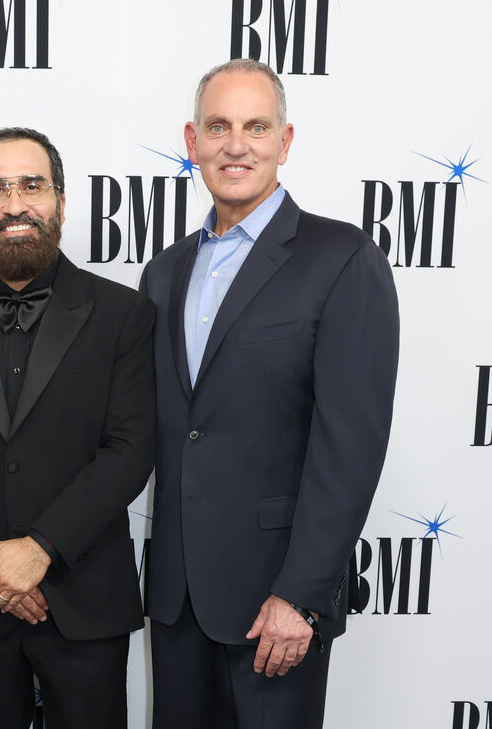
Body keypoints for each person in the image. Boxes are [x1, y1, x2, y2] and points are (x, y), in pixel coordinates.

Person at [139, 59, 399, 729]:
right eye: (218, 126)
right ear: (190, 140)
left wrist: (301, 596)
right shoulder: (163, 273)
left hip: (273, 606)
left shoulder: (340, 259)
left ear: (284, 143)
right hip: (175, 601)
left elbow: (350, 447)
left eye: (255, 127)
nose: (235, 144)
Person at [0, 127, 156, 728]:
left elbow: (129, 450)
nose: (14, 204)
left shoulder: (126, 315)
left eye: (32, 186)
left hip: (86, 598)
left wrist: (41, 550)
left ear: (61, 201)